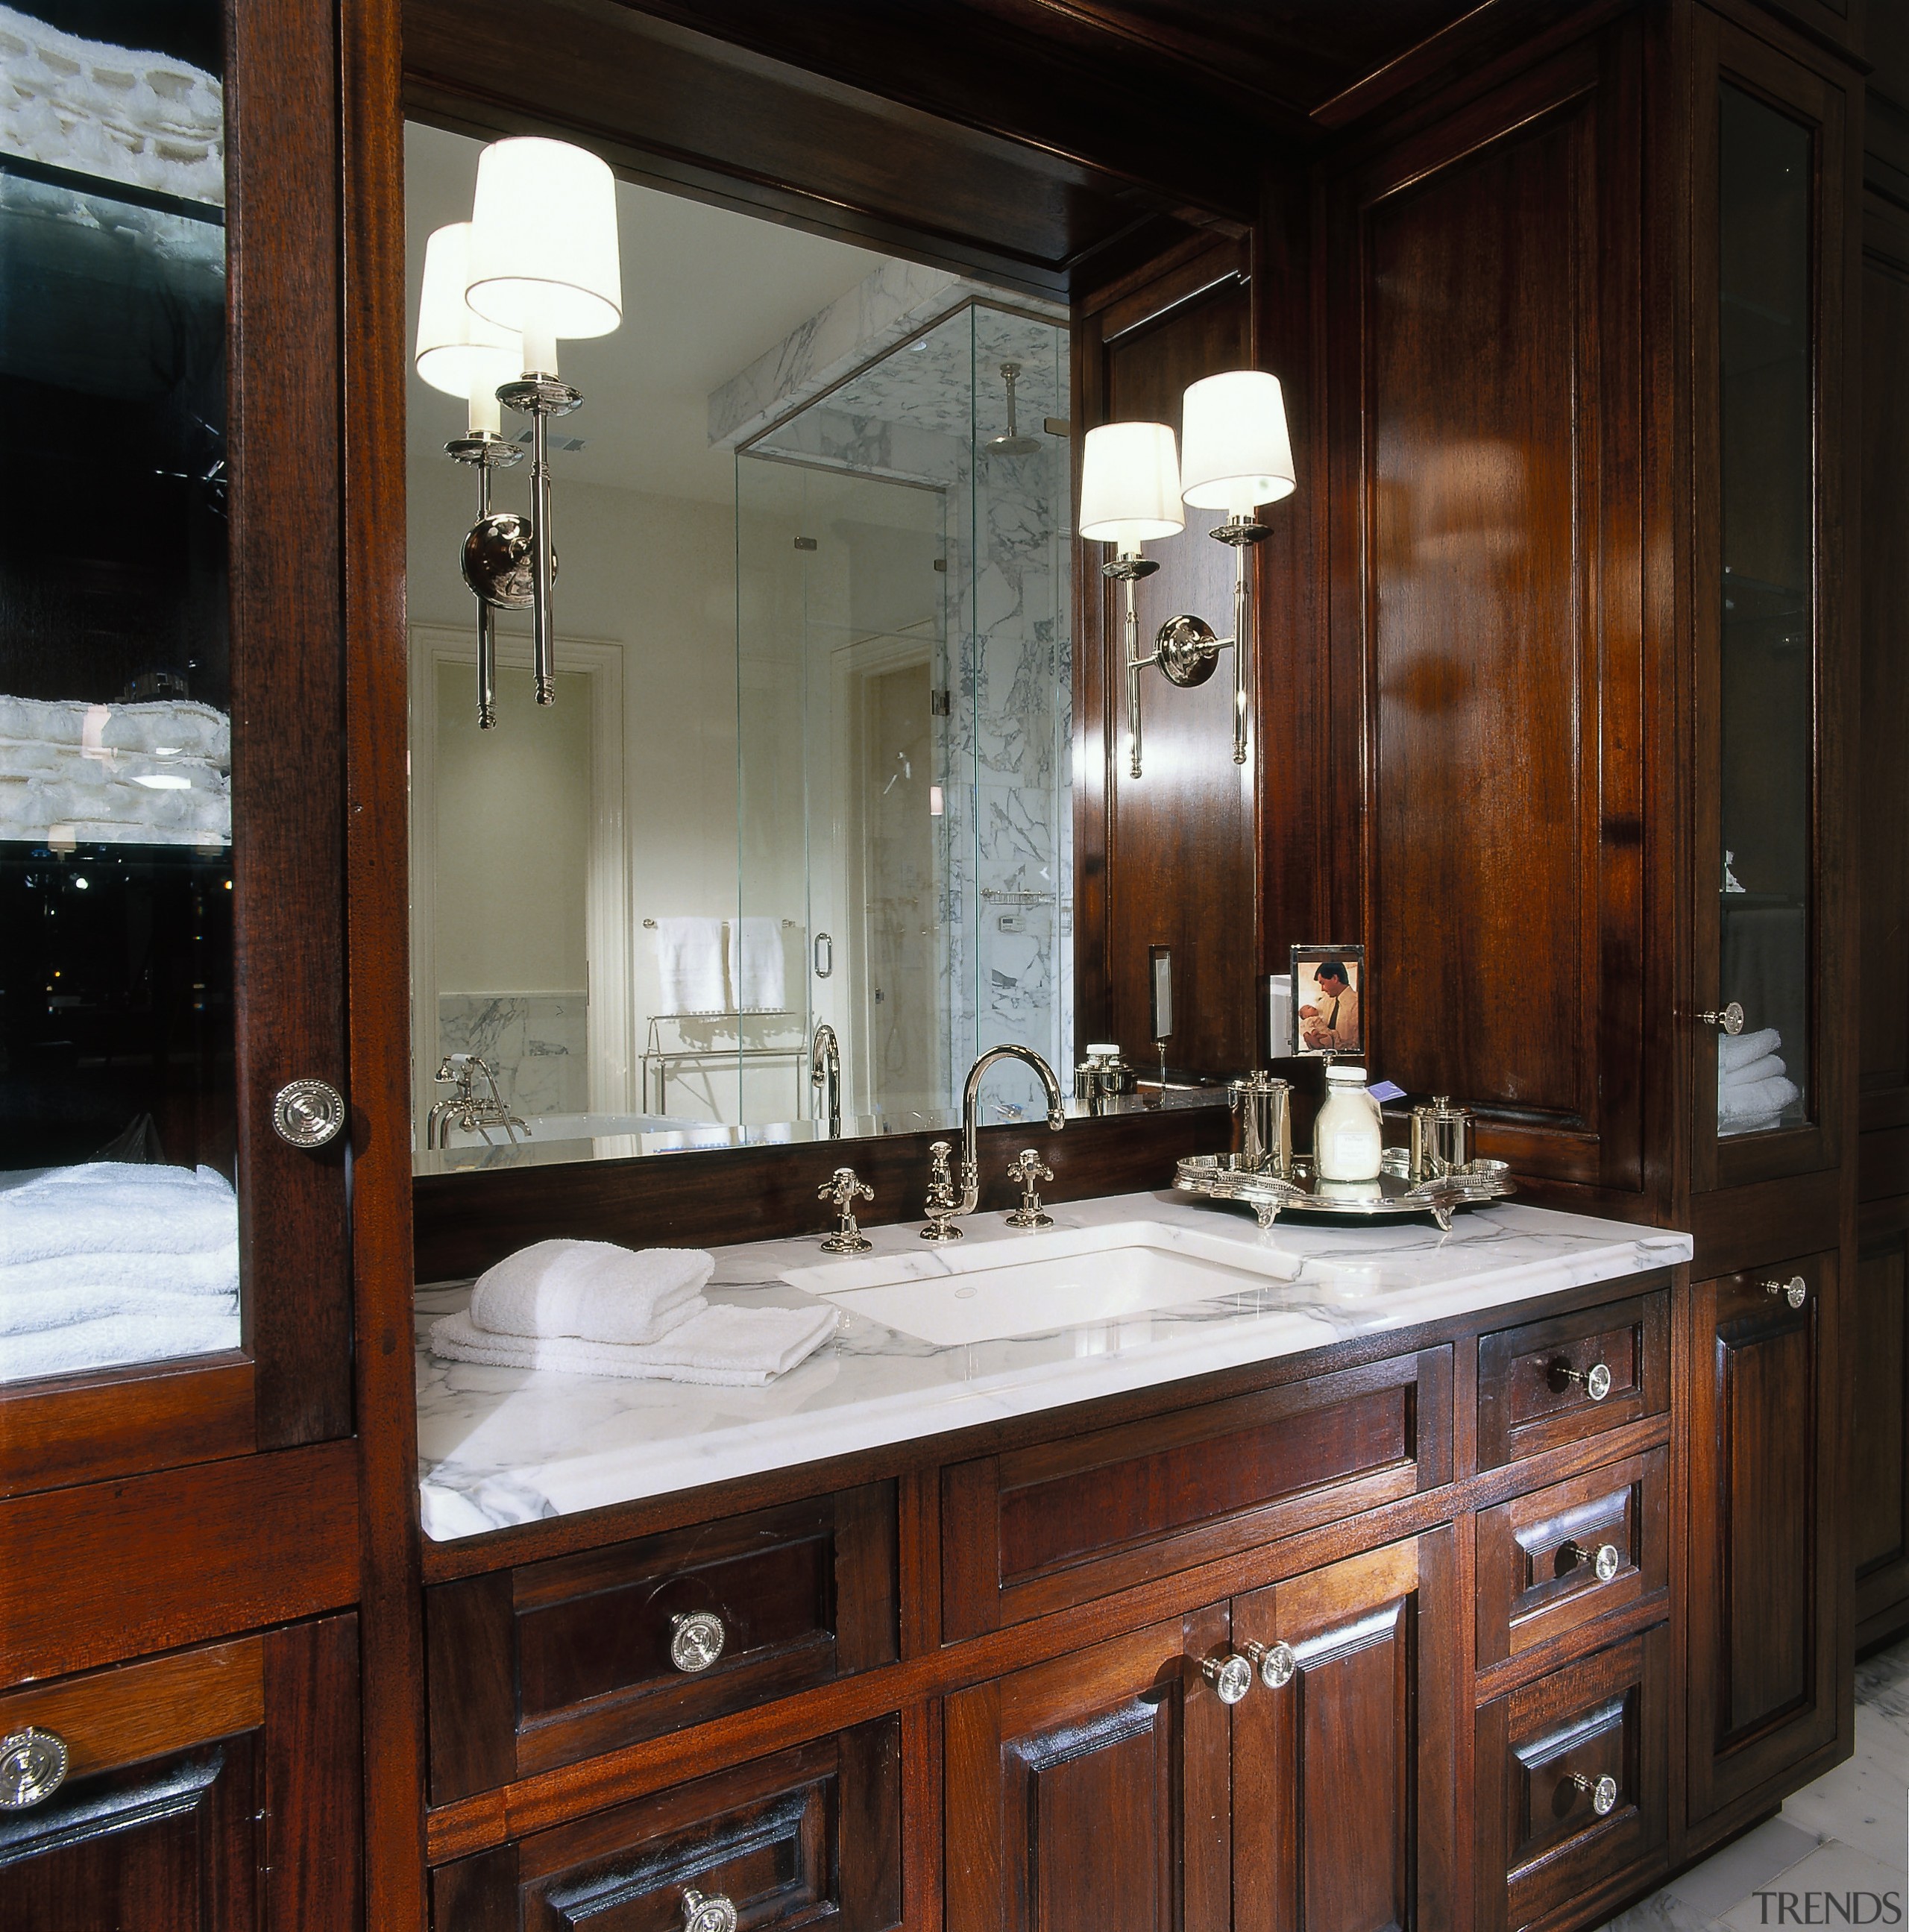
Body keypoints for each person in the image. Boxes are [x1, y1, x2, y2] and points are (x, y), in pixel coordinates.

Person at [1300, 960, 1359, 1051]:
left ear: (1335, 978)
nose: (1322, 989)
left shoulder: (1359, 1004)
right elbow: (1307, 1021)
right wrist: (1308, 1036)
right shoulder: (1324, 1003)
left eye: (1323, 983)